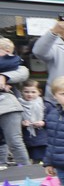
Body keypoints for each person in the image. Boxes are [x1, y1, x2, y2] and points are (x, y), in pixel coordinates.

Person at [0, 37, 32, 167]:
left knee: (14, 141)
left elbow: (23, 73)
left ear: (7, 51)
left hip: (7, 106)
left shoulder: (15, 64)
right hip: (7, 104)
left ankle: (26, 172)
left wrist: (4, 77)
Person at [20, 80, 49, 164]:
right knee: (27, 163)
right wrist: (21, 123)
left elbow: (53, 119)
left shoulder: (46, 105)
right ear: (22, 92)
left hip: (43, 140)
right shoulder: (18, 105)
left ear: (39, 92)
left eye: (33, 92)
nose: (30, 94)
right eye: (26, 92)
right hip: (26, 140)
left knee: (41, 162)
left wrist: (44, 122)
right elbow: (13, 121)